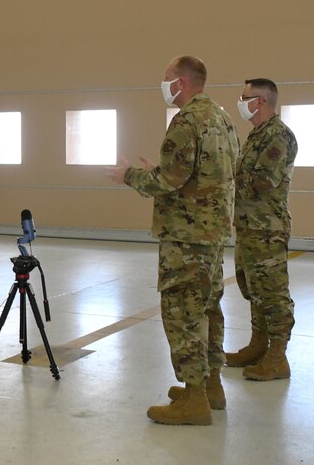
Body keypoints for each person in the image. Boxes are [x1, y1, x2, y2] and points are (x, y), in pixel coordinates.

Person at [106, 55, 239, 426]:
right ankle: (211, 385)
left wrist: (129, 175)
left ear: (181, 82)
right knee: (209, 308)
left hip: (186, 238)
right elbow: (205, 175)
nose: (162, 85)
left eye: (166, 79)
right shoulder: (223, 118)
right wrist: (162, 172)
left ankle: (194, 400)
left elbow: (167, 182)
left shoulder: (187, 122)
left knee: (182, 314)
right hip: (212, 236)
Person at [225, 78, 297, 381]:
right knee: (253, 289)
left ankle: (278, 357)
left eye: (245, 97)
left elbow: (264, 181)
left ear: (262, 102)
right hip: (249, 226)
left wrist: (225, 174)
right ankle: (258, 345)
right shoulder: (257, 135)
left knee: (273, 292)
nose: (241, 102)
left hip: (268, 228)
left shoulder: (279, 136)